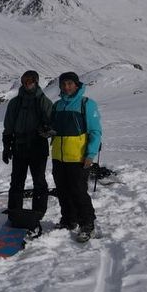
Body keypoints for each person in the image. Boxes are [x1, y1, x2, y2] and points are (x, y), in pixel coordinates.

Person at [50, 72, 102, 241]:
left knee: (78, 191)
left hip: (78, 157)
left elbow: (95, 131)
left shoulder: (86, 104)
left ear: (77, 85)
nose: (66, 87)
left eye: (70, 83)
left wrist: (90, 154)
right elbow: (53, 128)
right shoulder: (57, 105)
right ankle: (68, 220)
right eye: (63, 84)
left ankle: (87, 224)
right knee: (62, 190)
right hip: (58, 156)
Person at [1, 70, 53, 216]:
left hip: (38, 146)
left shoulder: (43, 101)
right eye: (24, 81)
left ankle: (38, 211)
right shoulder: (15, 103)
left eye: (30, 80)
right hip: (19, 146)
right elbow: (9, 125)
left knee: (39, 181)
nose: (27, 83)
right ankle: (14, 209)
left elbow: (52, 124)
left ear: (36, 82)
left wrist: (46, 130)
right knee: (16, 181)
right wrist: (6, 146)